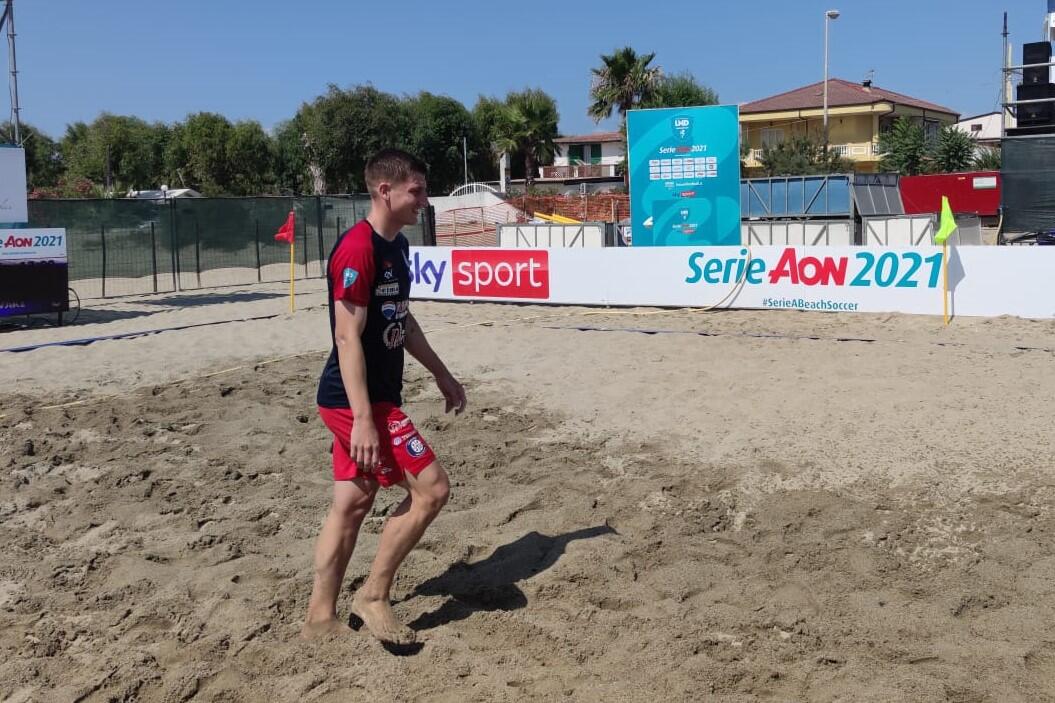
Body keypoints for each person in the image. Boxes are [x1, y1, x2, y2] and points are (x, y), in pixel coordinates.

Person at [302, 149, 466, 645]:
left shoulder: (397, 246)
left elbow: (402, 320)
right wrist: (363, 419)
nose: (425, 200)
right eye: (417, 191)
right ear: (385, 191)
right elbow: (346, 337)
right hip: (359, 402)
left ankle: (319, 619)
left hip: (370, 399)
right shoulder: (357, 249)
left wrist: (441, 373)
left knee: (353, 502)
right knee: (432, 490)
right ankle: (373, 596)